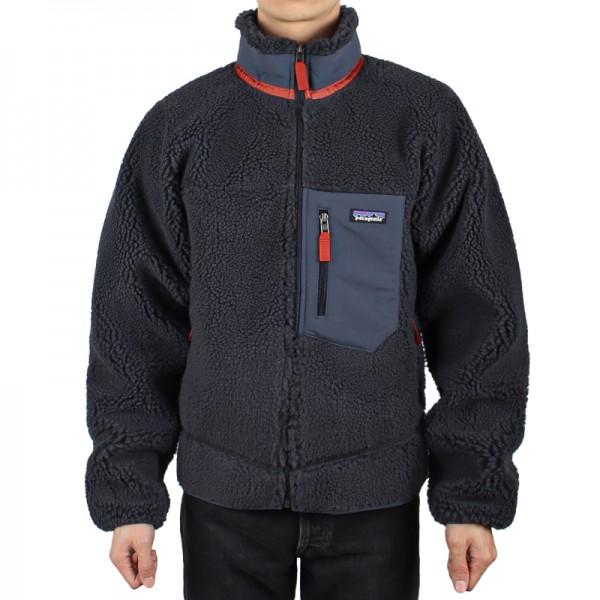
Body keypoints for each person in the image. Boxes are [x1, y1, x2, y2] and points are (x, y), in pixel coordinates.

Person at [84, 2, 530, 598]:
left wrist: (472, 494)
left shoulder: (422, 116)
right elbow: (132, 324)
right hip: (224, 499)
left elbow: (482, 316)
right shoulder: (182, 126)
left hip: (375, 500)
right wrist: (131, 495)